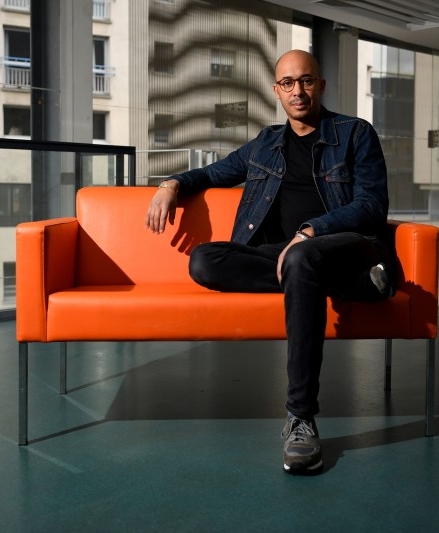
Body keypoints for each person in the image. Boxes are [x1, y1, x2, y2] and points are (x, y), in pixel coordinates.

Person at [145, 49, 394, 474]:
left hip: (341, 243)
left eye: (307, 81)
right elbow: (212, 173)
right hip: (282, 256)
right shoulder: (266, 143)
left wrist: (313, 229)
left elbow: (373, 204)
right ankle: (354, 284)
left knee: (302, 259)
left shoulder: (355, 134)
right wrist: (170, 184)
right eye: (288, 83)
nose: (298, 91)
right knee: (205, 261)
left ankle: (301, 418)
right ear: (276, 90)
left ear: (321, 85)